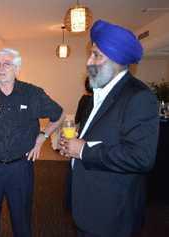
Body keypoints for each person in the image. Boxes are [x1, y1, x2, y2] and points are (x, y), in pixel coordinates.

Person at [60, 20, 159, 237]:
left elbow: (141, 157)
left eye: (96, 55)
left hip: (112, 214)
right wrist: (73, 144)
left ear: (116, 61)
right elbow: (98, 136)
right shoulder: (97, 94)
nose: (88, 62)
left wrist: (83, 150)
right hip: (88, 205)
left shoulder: (139, 97)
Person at [0, 48, 65, 237]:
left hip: (20, 168)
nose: (1, 68)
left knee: (22, 224)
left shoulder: (32, 93)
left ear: (17, 68)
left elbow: (59, 114)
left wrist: (42, 137)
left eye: (7, 64)